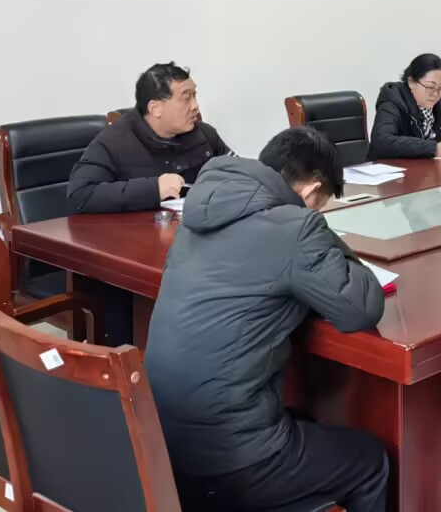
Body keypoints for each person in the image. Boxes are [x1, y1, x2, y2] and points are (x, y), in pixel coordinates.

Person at [145, 127, 388, 512]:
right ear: (311, 190)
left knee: (302, 418)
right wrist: (317, 228)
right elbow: (361, 307)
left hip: (160, 446)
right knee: (370, 461)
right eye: (320, 205)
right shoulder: (296, 227)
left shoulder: (198, 216)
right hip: (229, 463)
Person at [67, 62, 232, 214]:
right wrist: (154, 188)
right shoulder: (114, 143)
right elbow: (80, 194)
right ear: (155, 109)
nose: (195, 106)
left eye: (194, 95)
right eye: (186, 98)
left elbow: (238, 172)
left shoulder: (203, 134)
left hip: (194, 227)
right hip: (135, 233)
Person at [369, 53, 441, 159]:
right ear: (411, 82)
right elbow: (382, 141)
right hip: (388, 167)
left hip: (423, 167)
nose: (435, 94)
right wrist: (433, 148)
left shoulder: (438, 108)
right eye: (430, 87)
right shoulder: (393, 101)